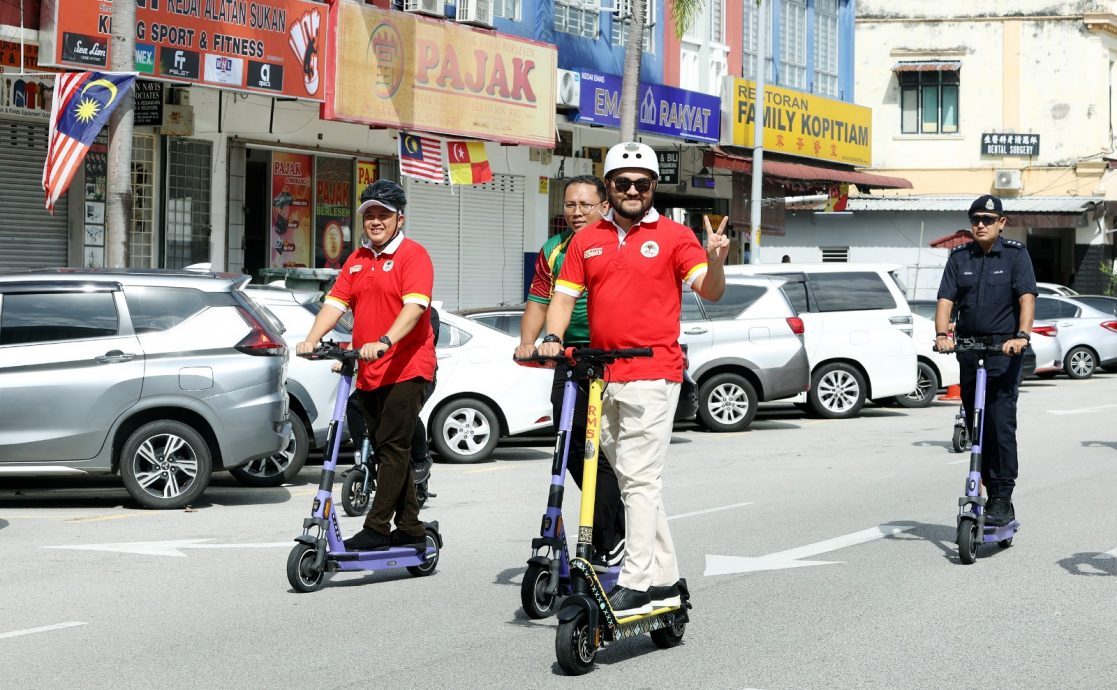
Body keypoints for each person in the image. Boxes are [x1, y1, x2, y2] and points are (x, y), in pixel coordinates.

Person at [539, 141, 729, 616]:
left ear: (653, 188)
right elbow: (563, 297)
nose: (632, 191)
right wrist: (552, 338)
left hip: (653, 370)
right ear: (609, 188)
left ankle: (637, 580)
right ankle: (665, 578)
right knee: (630, 480)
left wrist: (717, 256)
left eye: (641, 184)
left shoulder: (674, 236)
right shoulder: (586, 240)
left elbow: (711, 289)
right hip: (603, 374)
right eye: (622, 183)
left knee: (640, 479)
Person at [297, 180, 436, 550]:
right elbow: (335, 304)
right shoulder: (357, 260)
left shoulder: (413, 256)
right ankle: (409, 527)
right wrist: (312, 339)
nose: (375, 221)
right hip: (370, 369)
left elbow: (415, 306)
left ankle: (376, 527)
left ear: (399, 218)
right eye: (369, 215)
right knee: (388, 449)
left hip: (408, 367)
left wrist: (387, 340)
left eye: (383, 215)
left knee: (392, 447)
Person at [515, 175, 625, 568]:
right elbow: (539, 301)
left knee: (608, 450)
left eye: (585, 205)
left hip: (614, 357)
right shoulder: (554, 248)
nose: (576, 212)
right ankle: (606, 530)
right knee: (573, 448)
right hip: (570, 356)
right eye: (570, 205)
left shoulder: (615, 242)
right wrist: (529, 343)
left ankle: (608, 535)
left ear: (604, 206)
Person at [934, 194, 1036, 527]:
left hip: (1003, 353)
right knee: (977, 427)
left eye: (987, 219)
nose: (980, 224)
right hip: (969, 351)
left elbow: (1026, 298)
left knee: (999, 422)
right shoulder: (959, 257)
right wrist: (942, 336)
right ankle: (990, 491)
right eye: (975, 219)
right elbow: (946, 300)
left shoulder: (1016, 256)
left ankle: (1002, 498)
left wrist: (1021, 336)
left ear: (1001, 222)